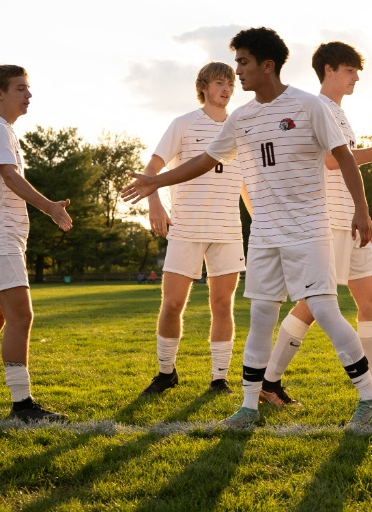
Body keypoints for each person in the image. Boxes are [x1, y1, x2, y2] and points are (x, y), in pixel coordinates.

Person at [123, 27, 372, 430]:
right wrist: (157, 181)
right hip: (264, 233)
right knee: (262, 314)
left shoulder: (308, 106)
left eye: (243, 62)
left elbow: (344, 159)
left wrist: (362, 211)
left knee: (325, 310)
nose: (237, 71)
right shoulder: (242, 118)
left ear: (268, 65)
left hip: (308, 229)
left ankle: (369, 397)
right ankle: (248, 407)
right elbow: (206, 160)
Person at [258, 41, 372, 408]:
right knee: (313, 305)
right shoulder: (316, 109)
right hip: (325, 222)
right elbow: (332, 161)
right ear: (328, 70)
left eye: (356, 71)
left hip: (350, 221)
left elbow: (344, 163)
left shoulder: (338, 112)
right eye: (349, 70)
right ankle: (269, 384)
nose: (356, 77)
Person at [0, 64, 72, 422]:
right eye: (21, 88)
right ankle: (23, 405)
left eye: (28, 88)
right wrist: (50, 207)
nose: (29, 95)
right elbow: (9, 177)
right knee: (20, 315)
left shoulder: (1, 130)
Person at [138, 62, 250, 397]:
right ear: (203, 87)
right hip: (186, 227)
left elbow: (246, 183)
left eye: (230, 83)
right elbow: (152, 168)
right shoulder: (183, 124)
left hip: (227, 230)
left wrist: (261, 219)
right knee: (172, 303)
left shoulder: (242, 128)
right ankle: (166, 373)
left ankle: (219, 379)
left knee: (222, 304)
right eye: (219, 83)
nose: (227, 89)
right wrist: (155, 205)